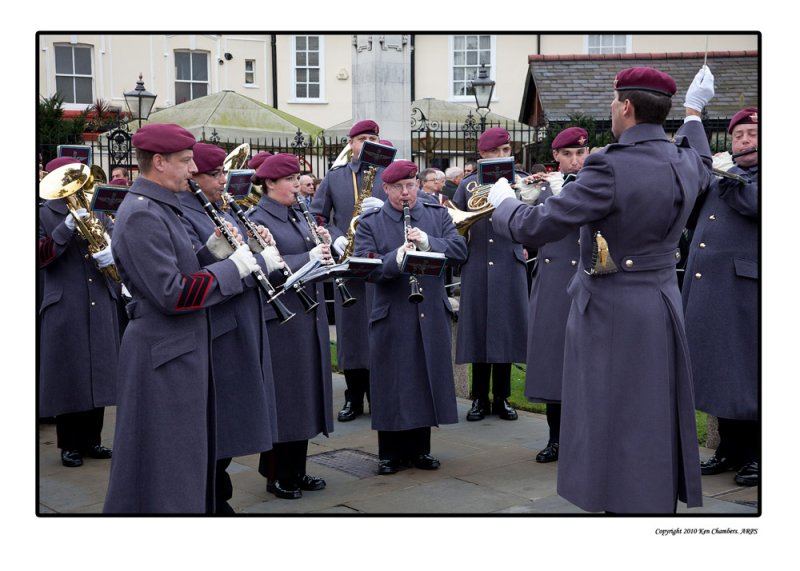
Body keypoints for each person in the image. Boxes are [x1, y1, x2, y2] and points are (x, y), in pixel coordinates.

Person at [488, 65, 715, 513]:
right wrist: (693, 113)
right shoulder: (684, 160)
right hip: (663, 301)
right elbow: (705, 163)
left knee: (610, 413)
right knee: (652, 411)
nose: (612, 108)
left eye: (614, 101)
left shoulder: (609, 166)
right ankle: (653, 498)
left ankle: (621, 505)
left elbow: (538, 224)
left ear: (627, 107)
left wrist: (504, 204)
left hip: (613, 307)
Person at [104, 124, 261, 513]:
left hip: (178, 350)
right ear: (159, 162)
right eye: (186, 160)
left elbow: (182, 268)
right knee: (166, 459)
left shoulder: (159, 205)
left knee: (183, 455)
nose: (193, 169)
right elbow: (172, 293)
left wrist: (213, 253)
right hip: (163, 354)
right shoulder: (142, 212)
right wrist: (232, 270)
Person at [175, 142, 281, 513]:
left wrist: (256, 244)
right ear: (195, 177)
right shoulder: (185, 211)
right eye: (215, 174)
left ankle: (219, 493)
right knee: (219, 420)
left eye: (223, 173)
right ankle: (213, 498)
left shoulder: (220, 208)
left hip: (242, 318)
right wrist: (226, 253)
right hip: (218, 325)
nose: (224, 180)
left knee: (233, 418)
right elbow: (193, 270)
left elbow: (241, 256)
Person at [353, 160, 467, 474]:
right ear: (386, 188)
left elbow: (460, 251)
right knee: (392, 380)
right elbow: (364, 266)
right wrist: (395, 258)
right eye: (399, 187)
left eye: (411, 184)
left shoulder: (436, 214)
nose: (407, 192)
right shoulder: (371, 222)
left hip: (429, 308)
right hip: (392, 311)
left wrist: (430, 244)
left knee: (424, 376)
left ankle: (420, 450)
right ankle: (389, 453)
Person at [248, 153, 334, 500]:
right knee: (284, 399)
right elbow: (263, 268)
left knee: (304, 396)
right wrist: (307, 258)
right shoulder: (257, 219)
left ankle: (297, 469)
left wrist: (326, 249)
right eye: (291, 181)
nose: (298, 187)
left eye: (298, 180)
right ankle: (276, 474)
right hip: (281, 319)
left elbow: (309, 254)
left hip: (307, 314)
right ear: (270, 183)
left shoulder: (297, 213)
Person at [682, 107, 759, 487]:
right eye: (739, 135)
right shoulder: (726, 176)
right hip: (709, 288)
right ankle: (728, 449)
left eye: (752, 134)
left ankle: (757, 456)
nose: (743, 141)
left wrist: (728, 177)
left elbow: (753, 203)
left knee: (746, 374)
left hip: (744, 290)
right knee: (720, 371)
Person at [38, 156, 119, 468]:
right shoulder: (44, 214)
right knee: (69, 375)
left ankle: (93, 440)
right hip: (67, 302)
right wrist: (66, 228)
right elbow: (40, 256)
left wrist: (111, 248)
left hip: (99, 296)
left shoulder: (95, 207)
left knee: (98, 371)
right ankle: (69, 445)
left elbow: (115, 237)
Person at [311, 120, 387, 422]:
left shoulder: (390, 177)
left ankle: (380, 395)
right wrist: (335, 234)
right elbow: (317, 215)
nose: (368, 143)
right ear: (351, 143)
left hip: (381, 261)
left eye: (373, 138)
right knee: (352, 333)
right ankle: (354, 398)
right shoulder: (336, 177)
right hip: (348, 262)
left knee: (381, 331)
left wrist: (385, 206)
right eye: (362, 138)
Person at [522, 127, 588, 463]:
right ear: (556, 158)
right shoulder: (545, 188)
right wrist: (526, 197)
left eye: (580, 153)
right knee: (552, 362)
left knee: (587, 365)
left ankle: (586, 440)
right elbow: (528, 233)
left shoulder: (601, 183)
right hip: (552, 282)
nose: (575, 161)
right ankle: (556, 439)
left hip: (589, 280)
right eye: (567, 155)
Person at [453, 127, 528, 422]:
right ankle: (479, 398)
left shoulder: (520, 181)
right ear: (482, 155)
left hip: (509, 262)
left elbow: (535, 220)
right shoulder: (469, 184)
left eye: (505, 151)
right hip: (479, 262)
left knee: (505, 333)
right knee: (478, 332)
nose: (500, 157)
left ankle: (503, 397)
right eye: (494, 152)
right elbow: (455, 221)